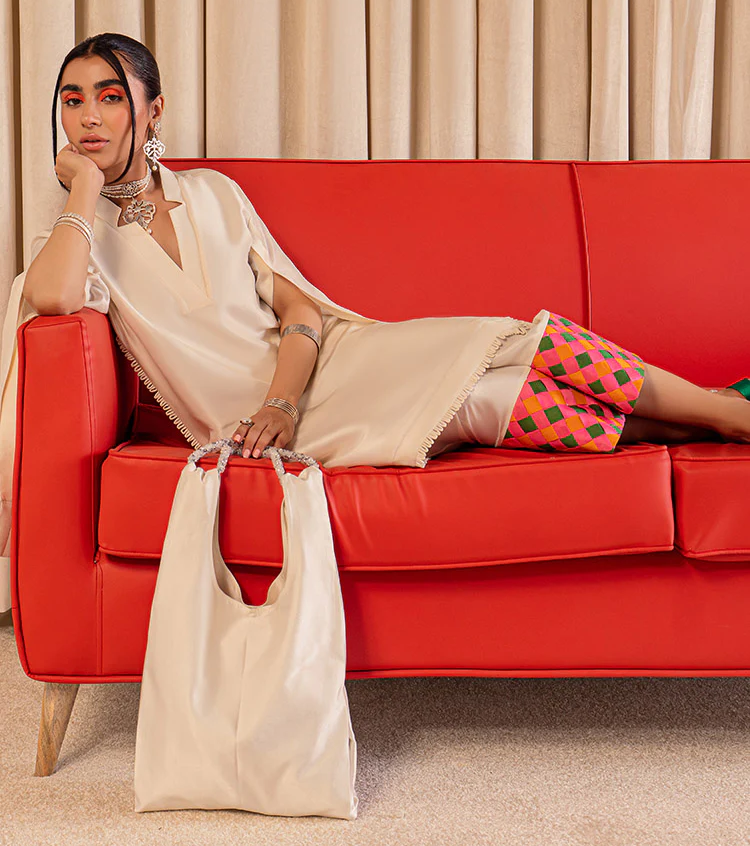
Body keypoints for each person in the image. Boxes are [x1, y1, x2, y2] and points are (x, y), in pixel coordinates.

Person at [1, 32, 749, 615]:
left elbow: (300, 310)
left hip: (321, 374)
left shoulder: (212, 195)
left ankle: (719, 414)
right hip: (258, 427)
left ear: (153, 110)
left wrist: (283, 398)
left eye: (110, 97)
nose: (89, 117)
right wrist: (85, 190)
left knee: (523, 338)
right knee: (495, 395)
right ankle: (718, 414)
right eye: (72, 100)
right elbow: (55, 299)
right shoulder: (77, 239)